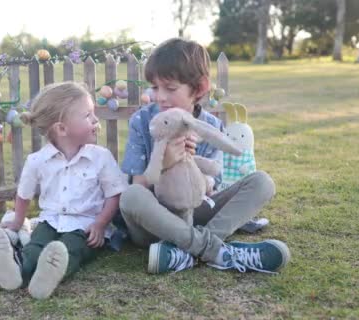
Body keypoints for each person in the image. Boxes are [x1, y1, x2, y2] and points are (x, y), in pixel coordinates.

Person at [119, 38, 290, 274]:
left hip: (195, 212)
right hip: (153, 223)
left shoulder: (210, 126)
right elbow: (138, 183)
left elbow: (210, 187)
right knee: (130, 196)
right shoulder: (143, 121)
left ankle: (181, 253)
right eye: (155, 87)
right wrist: (166, 162)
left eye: (170, 88)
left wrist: (195, 169)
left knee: (262, 182)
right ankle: (217, 252)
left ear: (198, 88)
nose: (159, 97)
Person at [0, 82, 127, 299]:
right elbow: (24, 194)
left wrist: (100, 223)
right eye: (88, 115)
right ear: (62, 129)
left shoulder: (100, 157)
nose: (96, 121)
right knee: (36, 245)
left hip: (86, 227)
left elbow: (113, 194)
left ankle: (49, 275)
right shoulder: (38, 161)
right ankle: (15, 270)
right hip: (51, 221)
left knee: (71, 248)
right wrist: (16, 222)